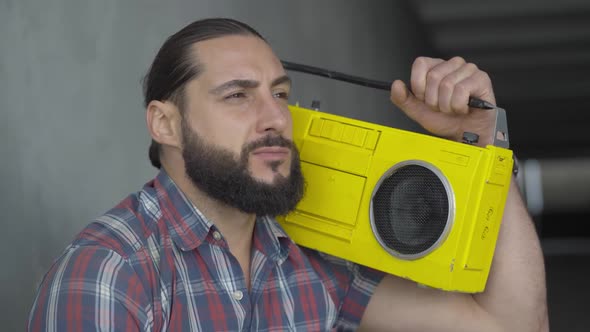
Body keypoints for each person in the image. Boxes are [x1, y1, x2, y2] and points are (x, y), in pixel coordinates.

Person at [27, 18, 548, 331]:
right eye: (238, 95)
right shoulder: (111, 271)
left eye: (280, 94)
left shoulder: (310, 262)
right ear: (166, 123)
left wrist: (481, 144)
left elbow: (510, 325)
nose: (277, 117)